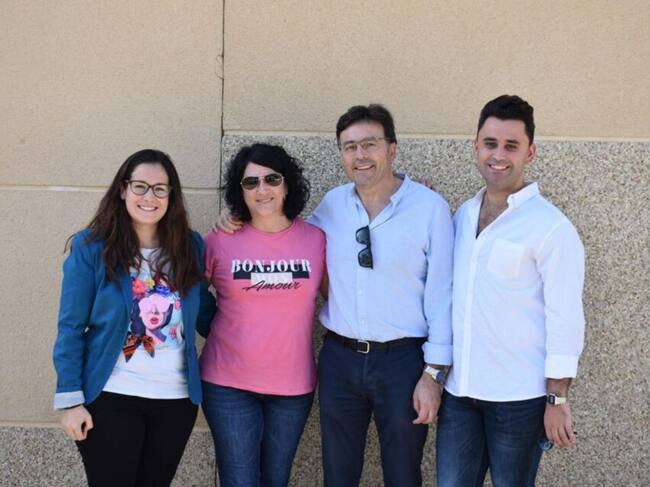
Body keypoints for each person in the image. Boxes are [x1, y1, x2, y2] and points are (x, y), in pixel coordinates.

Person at [215, 104, 454, 487]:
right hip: (340, 360)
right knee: (338, 474)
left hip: (403, 362)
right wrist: (239, 219)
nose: (360, 155)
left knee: (403, 473)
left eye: (370, 144)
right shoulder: (333, 205)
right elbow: (286, 240)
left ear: (392, 148)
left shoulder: (430, 208)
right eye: (350, 147)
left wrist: (434, 375)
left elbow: (443, 296)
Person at [436, 95, 585, 487]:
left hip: (519, 401)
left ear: (530, 153)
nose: (498, 155)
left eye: (511, 146)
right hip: (460, 394)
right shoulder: (463, 215)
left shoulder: (551, 228)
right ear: (476, 146)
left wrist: (557, 398)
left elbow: (565, 319)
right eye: (490, 143)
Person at [52, 149, 216, 487]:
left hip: (175, 401)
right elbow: (71, 326)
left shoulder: (190, 246)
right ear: (123, 189)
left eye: (160, 189)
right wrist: (70, 400)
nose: (149, 197)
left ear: (171, 196)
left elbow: (203, 312)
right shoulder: (92, 247)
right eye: (140, 186)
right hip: (111, 396)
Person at [199, 143, 326, 487]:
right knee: (240, 480)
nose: (262, 189)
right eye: (250, 182)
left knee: (276, 479)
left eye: (272, 179)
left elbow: (340, 298)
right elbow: (189, 296)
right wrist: (213, 327)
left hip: (293, 387)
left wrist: (411, 194)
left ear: (287, 184)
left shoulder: (315, 240)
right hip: (228, 385)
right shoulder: (219, 240)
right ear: (240, 191)